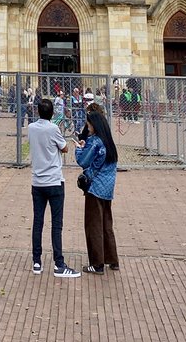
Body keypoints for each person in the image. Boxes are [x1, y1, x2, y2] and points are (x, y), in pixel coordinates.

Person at [28, 97, 79, 278]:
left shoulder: (31, 128)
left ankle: (36, 261)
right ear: (52, 113)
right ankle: (59, 263)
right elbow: (64, 148)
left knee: (38, 222)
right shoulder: (54, 128)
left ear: (38, 112)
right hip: (54, 181)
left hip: (37, 182)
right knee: (56, 225)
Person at [75, 105, 119, 274]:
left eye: (89, 125)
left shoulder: (95, 142)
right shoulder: (108, 141)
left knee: (93, 225)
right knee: (107, 223)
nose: (88, 128)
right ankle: (112, 258)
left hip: (95, 187)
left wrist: (79, 149)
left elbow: (83, 162)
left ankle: (97, 263)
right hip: (108, 188)